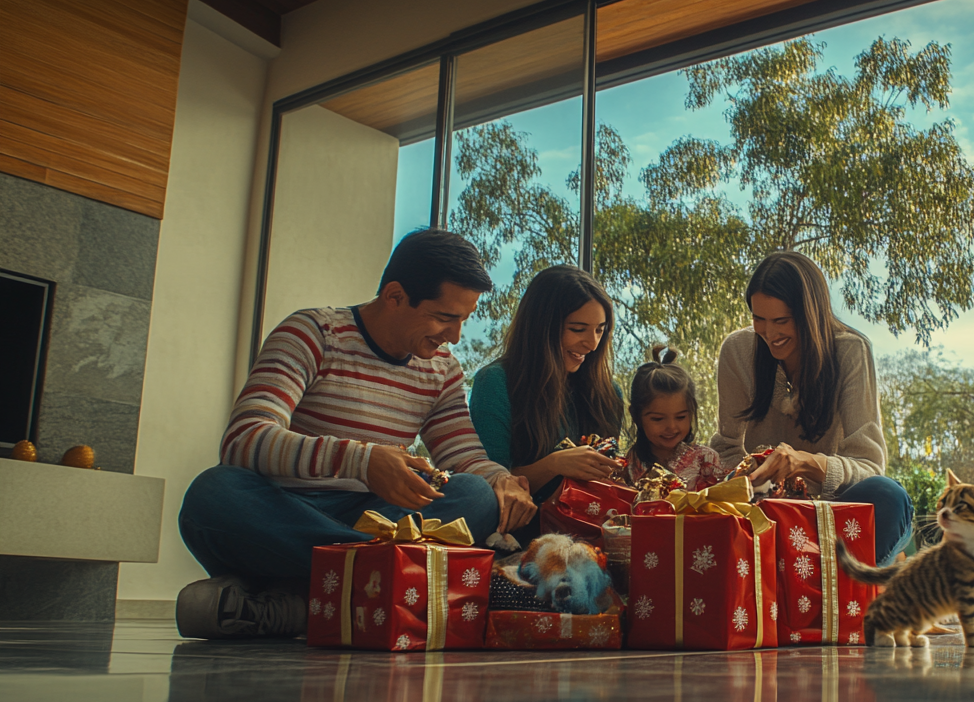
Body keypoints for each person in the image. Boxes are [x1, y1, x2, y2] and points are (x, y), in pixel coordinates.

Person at [174, 229, 531, 639]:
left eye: (463, 320)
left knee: (474, 494)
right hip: (285, 510)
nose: (454, 336)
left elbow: (464, 457)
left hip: (377, 520)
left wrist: (501, 480)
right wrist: (361, 461)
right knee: (214, 494)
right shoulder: (313, 333)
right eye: (445, 317)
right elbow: (245, 439)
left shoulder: (441, 370)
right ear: (395, 296)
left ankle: (299, 600)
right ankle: (380, 585)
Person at [709, 251, 914, 566]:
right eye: (758, 319)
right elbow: (726, 448)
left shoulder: (850, 351)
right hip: (765, 514)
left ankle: (836, 592)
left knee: (888, 497)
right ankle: (826, 592)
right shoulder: (737, 351)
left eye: (782, 321)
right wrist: (756, 484)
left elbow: (869, 466)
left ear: (811, 314)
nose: (769, 334)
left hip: (830, 516)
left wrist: (804, 463)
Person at [468, 265, 624, 514]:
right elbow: (490, 481)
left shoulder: (608, 393)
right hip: (515, 533)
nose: (592, 344)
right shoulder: (495, 383)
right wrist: (553, 465)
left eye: (600, 330)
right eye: (577, 329)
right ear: (542, 327)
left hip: (591, 529)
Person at [624, 345, 724, 491]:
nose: (671, 427)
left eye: (681, 417)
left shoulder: (707, 460)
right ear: (635, 415)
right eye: (658, 419)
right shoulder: (631, 463)